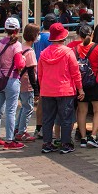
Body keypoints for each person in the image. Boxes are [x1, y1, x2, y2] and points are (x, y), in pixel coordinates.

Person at [38, 22, 84, 155]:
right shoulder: (68, 53)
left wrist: (43, 88)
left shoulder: (43, 54)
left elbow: (39, 74)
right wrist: (80, 89)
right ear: (63, 38)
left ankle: (47, 143)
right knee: (66, 118)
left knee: (48, 118)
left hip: (47, 90)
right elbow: (75, 73)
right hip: (65, 90)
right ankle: (65, 144)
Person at [0, 17, 26, 150]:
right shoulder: (16, 45)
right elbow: (19, 64)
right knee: (11, 111)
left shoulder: (0, 43)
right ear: (17, 30)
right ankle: (10, 140)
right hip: (11, 79)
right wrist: (23, 58)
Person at [13, 23, 41, 142]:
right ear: (34, 35)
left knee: (23, 107)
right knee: (28, 108)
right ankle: (22, 132)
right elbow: (31, 72)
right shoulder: (30, 51)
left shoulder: (20, 47)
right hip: (27, 84)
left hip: (18, 81)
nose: (39, 36)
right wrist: (36, 90)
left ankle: (17, 128)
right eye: (38, 34)